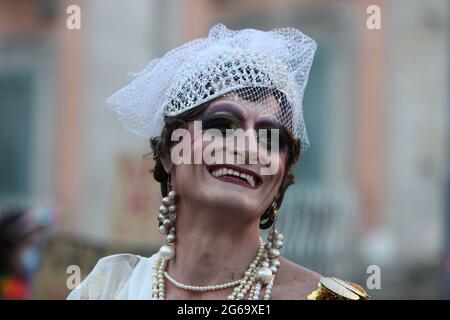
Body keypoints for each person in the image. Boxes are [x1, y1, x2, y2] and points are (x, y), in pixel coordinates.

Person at [67, 23, 368, 300]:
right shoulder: (107, 288)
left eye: (269, 137)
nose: (248, 147)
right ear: (171, 152)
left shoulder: (320, 298)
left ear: (282, 174)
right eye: (222, 126)